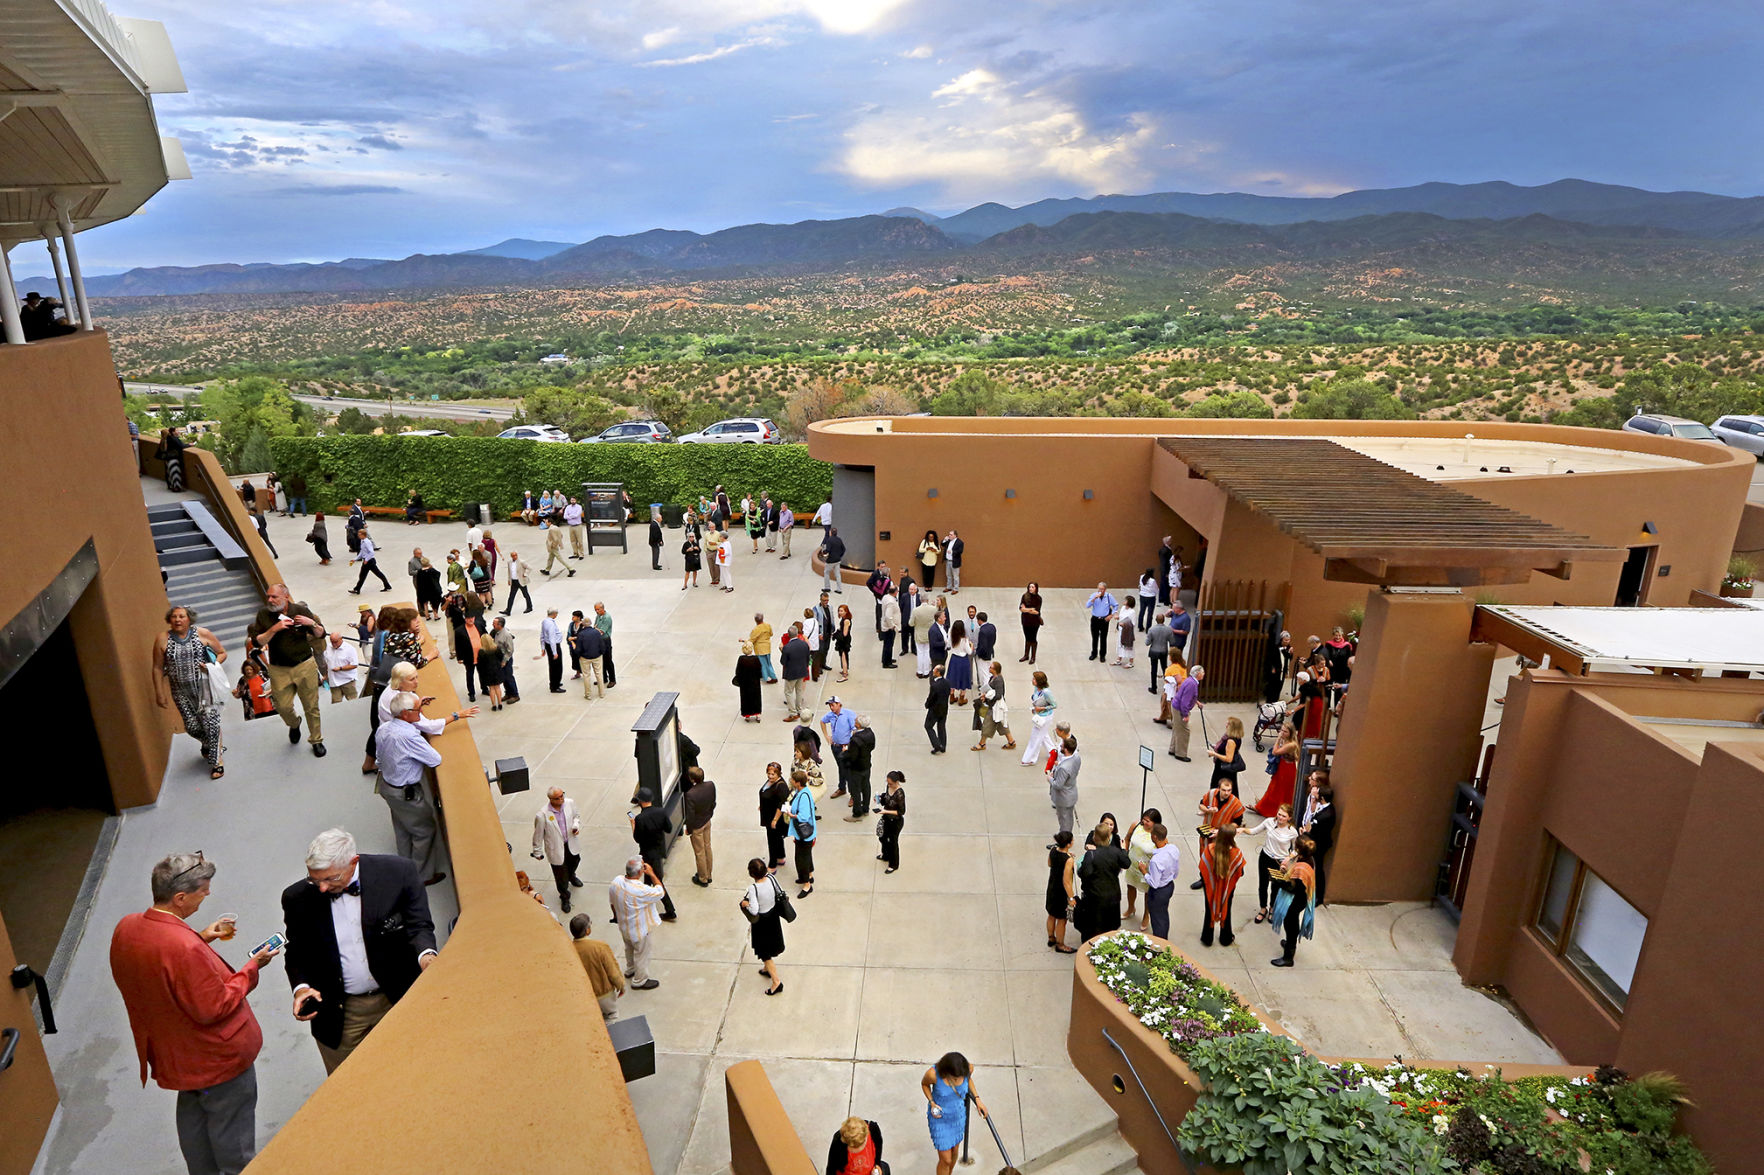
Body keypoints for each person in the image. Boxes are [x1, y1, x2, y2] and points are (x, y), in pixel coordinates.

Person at [110, 851, 276, 1175]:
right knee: (235, 1146)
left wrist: (201, 938)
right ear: (181, 897)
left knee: (195, 1133)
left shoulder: (127, 928)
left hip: (180, 1060)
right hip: (218, 1061)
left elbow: (158, 962)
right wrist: (252, 968)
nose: (209, 894)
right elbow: (215, 1006)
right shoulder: (183, 948)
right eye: (203, 890)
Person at [281, 828, 437, 1073]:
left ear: (354, 862)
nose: (321, 888)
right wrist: (301, 987)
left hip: (400, 996)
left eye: (330, 879)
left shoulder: (399, 872)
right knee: (347, 1082)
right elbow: (296, 951)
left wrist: (426, 955)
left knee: (419, 1065)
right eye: (314, 879)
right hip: (341, 1011)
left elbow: (419, 926)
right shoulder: (297, 897)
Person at [371, 690, 447, 886]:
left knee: (403, 828)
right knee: (424, 830)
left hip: (388, 787)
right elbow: (434, 759)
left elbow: (379, 758)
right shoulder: (408, 736)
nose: (420, 712)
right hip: (406, 793)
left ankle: (403, 868)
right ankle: (422, 876)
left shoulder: (384, 728)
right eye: (417, 709)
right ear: (405, 714)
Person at [246, 584, 327, 757]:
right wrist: (275, 628)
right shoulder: (264, 614)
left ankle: (316, 740)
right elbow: (258, 641)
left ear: (286, 596)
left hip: (304, 665)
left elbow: (321, 634)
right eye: (268, 596)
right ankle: (294, 723)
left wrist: (310, 623)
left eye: (274, 597)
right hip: (279, 668)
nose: (269, 600)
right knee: (282, 706)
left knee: (311, 706)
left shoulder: (300, 610)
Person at [156, 605, 228, 779]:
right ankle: (209, 743)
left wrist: (211, 666)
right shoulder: (162, 639)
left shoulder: (203, 634)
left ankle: (217, 762)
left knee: (211, 724)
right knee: (191, 727)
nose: (177, 620)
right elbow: (157, 668)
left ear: (189, 619)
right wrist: (159, 692)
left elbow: (222, 653)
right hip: (180, 691)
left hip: (204, 688)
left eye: (181, 616)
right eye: (174, 616)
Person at [923, 1053, 988, 1175]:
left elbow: (968, 1080)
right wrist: (932, 1102)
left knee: (954, 1151)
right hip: (940, 1119)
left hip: (957, 1116)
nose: (958, 1079)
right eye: (955, 1077)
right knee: (945, 1159)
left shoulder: (968, 1069)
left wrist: (977, 1099)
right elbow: (924, 1085)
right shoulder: (933, 1074)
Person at [608, 858, 666, 990]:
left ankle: (630, 969)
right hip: (639, 929)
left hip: (624, 925)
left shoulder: (616, 882)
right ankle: (639, 980)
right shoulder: (641, 890)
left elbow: (612, 902)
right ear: (640, 872)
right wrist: (651, 873)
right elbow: (660, 892)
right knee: (641, 953)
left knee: (628, 948)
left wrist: (616, 916)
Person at [1242, 803, 1300, 925]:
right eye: (1279, 814)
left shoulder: (1292, 832)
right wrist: (1242, 829)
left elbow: (1297, 849)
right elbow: (1253, 831)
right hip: (1265, 857)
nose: (1280, 818)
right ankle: (1263, 908)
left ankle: (1272, 908)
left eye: (1284, 816)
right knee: (1262, 884)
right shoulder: (1269, 822)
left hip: (1279, 862)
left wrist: (1288, 858)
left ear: (1289, 818)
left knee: (1276, 886)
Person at [1073, 821, 1131, 941]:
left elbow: (1085, 873)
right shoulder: (1116, 852)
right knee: (1110, 928)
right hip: (1113, 896)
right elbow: (1126, 863)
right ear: (1109, 837)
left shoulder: (1091, 855)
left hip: (1094, 897)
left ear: (1095, 837)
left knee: (1092, 927)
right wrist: (1124, 850)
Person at [628, 789, 679, 921]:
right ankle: (646, 904)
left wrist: (633, 825)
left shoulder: (640, 819)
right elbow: (668, 828)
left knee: (656, 880)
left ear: (640, 801)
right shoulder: (661, 812)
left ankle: (670, 910)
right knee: (649, 880)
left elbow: (638, 838)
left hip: (647, 853)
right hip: (659, 850)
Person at [530, 788, 583, 912]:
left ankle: (571, 876)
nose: (561, 799)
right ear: (550, 799)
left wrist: (576, 825)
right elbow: (538, 835)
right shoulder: (542, 815)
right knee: (560, 875)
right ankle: (564, 897)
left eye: (562, 796)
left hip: (570, 843)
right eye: (557, 798)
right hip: (555, 848)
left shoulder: (569, 803)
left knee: (575, 860)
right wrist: (537, 851)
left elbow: (576, 816)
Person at [740, 858, 787, 996]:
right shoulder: (771, 879)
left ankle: (776, 982)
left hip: (762, 923)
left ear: (752, 874)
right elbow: (780, 891)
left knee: (764, 952)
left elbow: (754, 910)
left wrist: (745, 904)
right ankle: (766, 969)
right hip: (773, 917)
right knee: (771, 945)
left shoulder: (753, 889)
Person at [1269, 837, 1318, 967]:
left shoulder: (1302, 868)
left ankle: (1288, 957)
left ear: (1299, 850)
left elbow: (1294, 888)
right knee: (1291, 923)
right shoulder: (1308, 859)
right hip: (1299, 898)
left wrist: (1277, 879)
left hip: (1296, 901)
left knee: (1291, 924)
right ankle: (1290, 943)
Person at [569, 914, 625, 1020]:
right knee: (611, 1016)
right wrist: (620, 985)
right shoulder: (599, 947)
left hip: (585, 994)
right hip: (604, 993)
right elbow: (612, 972)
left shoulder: (569, 949)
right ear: (587, 931)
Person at [1135, 823, 1181, 941]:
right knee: (1163, 915)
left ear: (1154, 837)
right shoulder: (1173, 849)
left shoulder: (1156, 861)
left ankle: (1160, 942)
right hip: (1169, 886)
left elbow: (1154, 883)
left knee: (1157, 919)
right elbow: (1176, 869)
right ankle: (1164, 936)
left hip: (1158, 892)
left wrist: (1144, 871)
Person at [1298, 774, 1336, 905]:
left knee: (1318, 869)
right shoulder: (1327, 808)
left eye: (1318, 794)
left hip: (1319, 844)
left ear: (1323, 798)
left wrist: (1305, 833)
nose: (1316, 794)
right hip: (1317, 840)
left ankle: (1319, 897)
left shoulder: (1325, 815)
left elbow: (1313, 829)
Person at [1123, 808, 1161, 930]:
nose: (1144, 822)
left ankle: (1146, 915)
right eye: (1143, 819)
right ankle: (1130, 908)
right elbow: (1127, 838)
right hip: (1132, 865)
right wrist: (1126, 851)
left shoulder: (1157, 834)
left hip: (1146, 870)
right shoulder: (1136, 825)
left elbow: (1162, 852)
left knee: (1147, 894)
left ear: (1155, 823)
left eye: (1148, 821)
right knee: (1130, 886)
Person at [1252, 722, 1300, 817]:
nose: (1282, 733)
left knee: (1280, 790)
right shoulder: (1285, 740)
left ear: (1290, 733)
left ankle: (1272, 810)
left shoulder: (1291, 744)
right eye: (1281, 730)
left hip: (1287, 769)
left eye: (1285, 731)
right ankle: (1263, 805)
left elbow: (1275, 752)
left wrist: (1278, 739)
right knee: (1274, 788)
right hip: (1282, 766)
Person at [682, 766, 717, 887]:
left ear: (692, 779)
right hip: (707, 820)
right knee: (707, 847)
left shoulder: (690, 794)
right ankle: (709, 874)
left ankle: (702, 878)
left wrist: (689, 829)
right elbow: (713, 802)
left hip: (697, 825)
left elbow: (690, 815)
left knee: (699, 852)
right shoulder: (710, 785)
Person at [1045, 830, 1078, 953]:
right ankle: (1060, 944)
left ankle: (1051, 938)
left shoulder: (1053, 851)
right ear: (1068, 844)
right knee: (1062, 920)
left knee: (1051, 915)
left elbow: (1049, 863)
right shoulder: (1068, 860)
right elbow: (1067, 882)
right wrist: (1071, 898)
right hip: (1061, 893)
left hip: (1051, 888)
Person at [787, 768, 817, 897]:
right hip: (804, 834)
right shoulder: (803, 791)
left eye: (793, 780)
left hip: (804, 834)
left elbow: (804, 816)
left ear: (798, 782)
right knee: (806, 855)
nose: (791, 781)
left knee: (801, 859)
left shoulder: (803, 796)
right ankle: (809, 875)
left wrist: (791, 815)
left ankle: (807, 885)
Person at [972, 661, 1013, 751]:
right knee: (1001, 724)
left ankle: (982, 744)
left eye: (990, 667)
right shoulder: (992, 678)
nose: (989, 668)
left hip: (995, 707)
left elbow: (998, 695)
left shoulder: (998, 680)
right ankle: (1011, 741)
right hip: (994, 706)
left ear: (995, 670)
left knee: (987, 724)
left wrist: (987, 698)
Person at [842, 715, 877, 819]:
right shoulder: (870, 734)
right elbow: (872, 747)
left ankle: (857, 813)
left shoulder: (855, 739)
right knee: (866, 786)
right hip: (866, 765)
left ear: (858, 724)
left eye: (856, 720)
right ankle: (866, 808)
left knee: (855, 790)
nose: (854, 721)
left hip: (856, 768)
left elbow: (852, 756)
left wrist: (845, 752)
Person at [1020, 671, 1058, 767]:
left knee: (1035, 737)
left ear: (1039, 681)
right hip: (1039, 715)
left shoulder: (1046, 692)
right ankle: (1053, 752)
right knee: (1043, 734)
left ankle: (1030, 759)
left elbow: (1054, 705)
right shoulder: (1036, 689)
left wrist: (1042, 708)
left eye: (1034, 679)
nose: (1032, 680)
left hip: (1045, 717)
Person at [1167, 663, 1203, 761]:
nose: (1203, 674)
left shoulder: (1190, 680)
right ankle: (1180, 753)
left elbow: (1187, 696)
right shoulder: (1192, 684)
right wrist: (1185, 715)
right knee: (1184, 731)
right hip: (1180, 709)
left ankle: (1173, 748)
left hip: (1176, 706)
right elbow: (1185, 701)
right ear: (1198, 674)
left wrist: (1197, 702)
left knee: (1177, 728)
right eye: (1202, 672)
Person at [1047, 734, 1081, 836]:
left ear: (1066, 750)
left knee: (1063, 821)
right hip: (1071, 793)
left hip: (1063, 798)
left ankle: (1064, 840)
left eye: (1062, 746)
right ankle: (1066, 835)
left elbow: (1058, 785)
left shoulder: (1064, 768)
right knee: (1068, 819)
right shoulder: (1076, 757)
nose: (1060, 747)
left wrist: (1050, 778)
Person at [760, 762, 791, 870]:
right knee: (777, 839)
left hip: (775, 818)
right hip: (769, 814)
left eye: (773, 774)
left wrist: (774, 820)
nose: (770, 776)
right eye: (768, 773)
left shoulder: (781, 786)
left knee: (772, 840)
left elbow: (781, 805)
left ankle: (772, 865)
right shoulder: (770, 782)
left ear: (779, 774)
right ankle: (780, 857)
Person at [779, 623, 812, 721]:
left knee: (788, 692)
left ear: (789, 635)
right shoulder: (804, 644)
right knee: (799, 691)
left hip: (791, 674)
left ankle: (793, 713)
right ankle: (799, 709)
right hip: (802, 671)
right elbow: (807, 659)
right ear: (797, 633)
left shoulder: (787, 647)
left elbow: (782, 662)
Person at [877, 770, 906, 873]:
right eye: (888, 783)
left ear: (896, 782)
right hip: (886, 818)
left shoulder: (900, 793)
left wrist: (886, 811)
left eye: (891, 783)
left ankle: (893, 864)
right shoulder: (889, 787)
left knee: (893, 842)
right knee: (882, 837)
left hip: (895, 822)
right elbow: (886, 800)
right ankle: (885, 855)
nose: (889, 785)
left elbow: (901, 812)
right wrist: (879, 799)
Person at [348, 527, 394, 594]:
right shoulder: (362, 541)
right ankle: (357, 589)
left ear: (363, 535)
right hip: (366, 561)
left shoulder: (367, 542)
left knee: (376, 574)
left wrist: (366, 560)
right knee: (364, 575)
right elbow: (362, 552)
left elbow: (371, 552)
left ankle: (357, 589)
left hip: (369, 561)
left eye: (359, 534)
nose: (358, 535)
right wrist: (355, 559)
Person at [1208, 716, 1246, 792]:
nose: (1226, 725)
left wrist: (1214, 754)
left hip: (1223, 770)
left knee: (1217, 788)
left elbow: (1228, 758)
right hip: (1226, 769)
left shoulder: (1230, 741)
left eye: (1228, 724)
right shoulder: (1236, 738)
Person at [322, 630, 360, 704]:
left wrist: (340, 668)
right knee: (335, 703)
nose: (333, 644)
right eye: (332, 641)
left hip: (347, 680)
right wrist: (326, 675)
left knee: (352, 701)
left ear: (341, 639)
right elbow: (327, 662)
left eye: (335, 642)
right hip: (334, 681)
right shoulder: (328, 647)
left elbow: (354, 665)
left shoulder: (350, 649)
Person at [1084, 582, 1118, 662]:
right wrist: (1094, 599)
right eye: (1099, 589)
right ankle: (1094, 653)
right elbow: (1087, 605)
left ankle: (1102, 655)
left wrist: (1111, 615)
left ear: (1105, 589)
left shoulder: (1109, 596)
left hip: (1104, 620)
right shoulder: (1094, 595)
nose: (1100, 590)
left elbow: (1115, 605)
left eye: (1102, 589)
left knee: (1103, 638)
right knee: (1095, 637)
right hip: (1095, 619)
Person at [573, 620, 606, 699]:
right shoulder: (596, 632)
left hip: (585, 658)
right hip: (597, 656)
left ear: (583, 625)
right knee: (599, 674)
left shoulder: (581, 634)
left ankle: (588, 695)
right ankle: (601, 693)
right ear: (591, 623)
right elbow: (601, 644)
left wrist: (578, 655)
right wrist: (601, 652)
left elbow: (578, 648)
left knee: (586, 676)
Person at [923, 664, 950, 754]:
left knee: (928, 726)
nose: (933, 670)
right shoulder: (947, 682)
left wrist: (927, 705)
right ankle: (943, 745)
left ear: (938, 673)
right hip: (944, 709)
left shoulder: (935, 686)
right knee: (941, 727)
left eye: (934, 669)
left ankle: (937, 745)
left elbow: (931, 698)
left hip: (934, 710)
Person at [734, 640, 763, 722]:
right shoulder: (756, 659)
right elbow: (759, 671)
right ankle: (757, 714)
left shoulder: (741, 659)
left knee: (745, 698)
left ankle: (747, 715)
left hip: (745, 683)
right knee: (756, 698)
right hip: (755, 682)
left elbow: (738, 671)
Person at [476, 628, 505, 711]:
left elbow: (480, 664)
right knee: (498, 688)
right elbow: (501, 657)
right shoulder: (496, 649)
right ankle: (500, 703)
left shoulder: (481, 652)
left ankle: (494, 705)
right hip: (497, 670)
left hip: (487, 672)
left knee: (491, 689)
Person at [539, 608, 566, 693]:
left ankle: (555, 683)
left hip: (548, 645)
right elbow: (552, 638)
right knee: (557, 666)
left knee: (553, 666)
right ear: (554, 614)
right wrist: (555, 652)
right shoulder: (550, 624)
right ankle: (555, 686)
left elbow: (542, 635)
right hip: (553, 646)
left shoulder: (545, 621)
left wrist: (543, 647)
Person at [592, 601, 616, 688]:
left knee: (608, 660)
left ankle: (612, 680)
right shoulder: (598, 616)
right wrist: (596, 629)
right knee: (601, 660)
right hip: (599, 640)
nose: (596, 611)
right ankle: (604, 678)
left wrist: (595, 629)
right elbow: (595, 626)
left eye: (598, 609)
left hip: (605, 640)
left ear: (602, 609)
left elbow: (601, 631)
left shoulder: (607, 618)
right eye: (595, 609)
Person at [1018, 581, 1043, 663]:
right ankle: (1026, 655)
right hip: (1025, 621)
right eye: (1029, 587)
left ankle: (1033, 656)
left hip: (1035, 622)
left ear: (1036, 588)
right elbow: (1021, 609)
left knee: (1033, 638)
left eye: (1032, 587)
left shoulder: (1039, 599)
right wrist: (1030, 609)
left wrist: (1027, 610)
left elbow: (1036, 612)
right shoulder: (1024, 596)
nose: (1030, 589)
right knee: (1027, 638)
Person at [156, 425, 187, 491]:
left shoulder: (163, 441)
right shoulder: (171, 439)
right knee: (175, 472)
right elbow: (181, 446)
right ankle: (177, 487)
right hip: (173, 458)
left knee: (169, 473)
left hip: (167, 458)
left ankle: (171, 486)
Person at [818, 525, 846, 592]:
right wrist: (840, 556)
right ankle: (839, 589)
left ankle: (827, 587)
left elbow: (828, 550)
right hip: (838, 560)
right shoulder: (839, 539)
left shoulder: (829, 540)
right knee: (837, 574)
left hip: (831, 560)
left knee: (826, 572)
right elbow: (844, 549)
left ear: (830, 533)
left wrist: (823, 552)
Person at [833, 604, 854, 682]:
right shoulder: (845, 619)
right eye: (839, 610)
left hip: (844, 641)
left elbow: (844, 633)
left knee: (843, 656)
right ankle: (845, 670)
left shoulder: (846, 621)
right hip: (844, 640)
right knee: (843, 655)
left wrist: (836, 634)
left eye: (842, 611)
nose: (840, 612)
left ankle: (844, 674)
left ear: (846, 611)